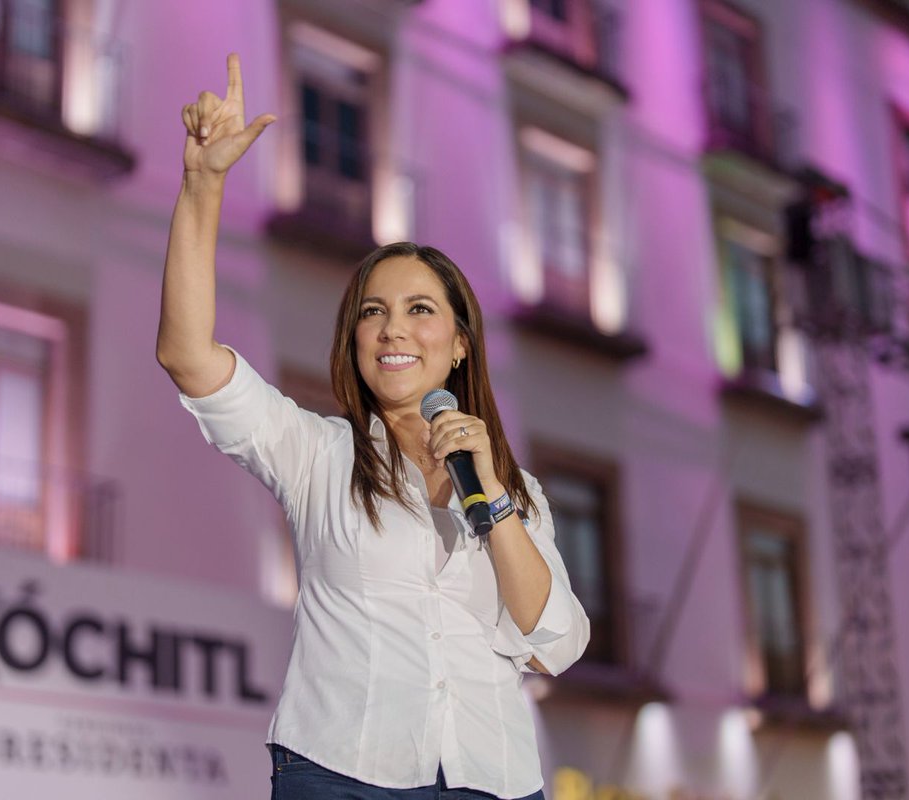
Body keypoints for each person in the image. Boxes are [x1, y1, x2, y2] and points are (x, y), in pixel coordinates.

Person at [157, 54, 590, 800]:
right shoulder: (316, 453)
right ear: (355, 342)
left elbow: (554, 643)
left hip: (496, 780)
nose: (394, 329)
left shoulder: (513, 490)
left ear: (460, 343)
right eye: (372, 311)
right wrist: (203, 185)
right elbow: (189, 357)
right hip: (343, 775)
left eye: (420, 309)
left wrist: (491, 495)